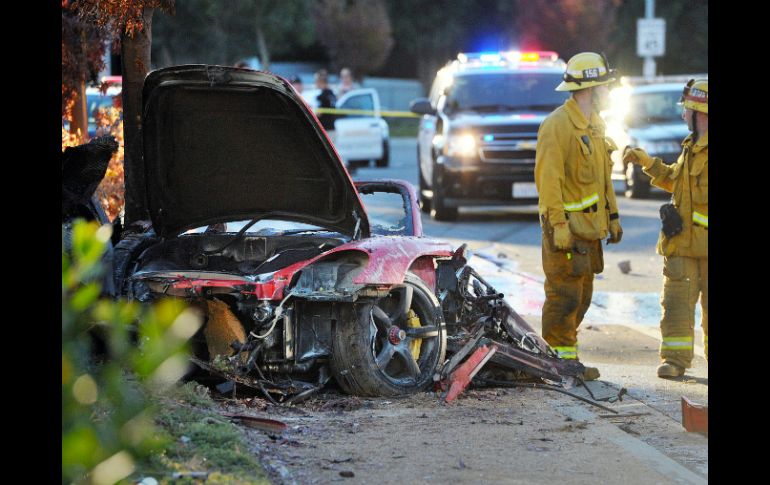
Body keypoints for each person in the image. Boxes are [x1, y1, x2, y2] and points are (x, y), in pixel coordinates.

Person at [534, 52, 623, 381]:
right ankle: (557, 364)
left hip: (588, 233)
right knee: (564, 298)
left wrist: (612, 217)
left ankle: (563, 360)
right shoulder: (557, 126)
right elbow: (549, 181)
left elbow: (603, 179)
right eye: (605, 87)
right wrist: (558, 224)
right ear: (590, 89)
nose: (609, 93)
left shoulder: (595, 126)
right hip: (566, 233)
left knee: (582, 297)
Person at [623, 79, 708, 378]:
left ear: (699, 112)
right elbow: (676, 180)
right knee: (675, 306)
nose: (682, 114)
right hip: (682, 246)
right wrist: (648, 163)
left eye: (686, 109)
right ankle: (675, 360)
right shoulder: (692, 148)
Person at [314, 69, 337, 141]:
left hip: (325, 130)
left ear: (320, 82)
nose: (315, 83)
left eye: (316, 81)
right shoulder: (332, 94)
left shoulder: (322, 96)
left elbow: (319, 113)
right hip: (332, 128)